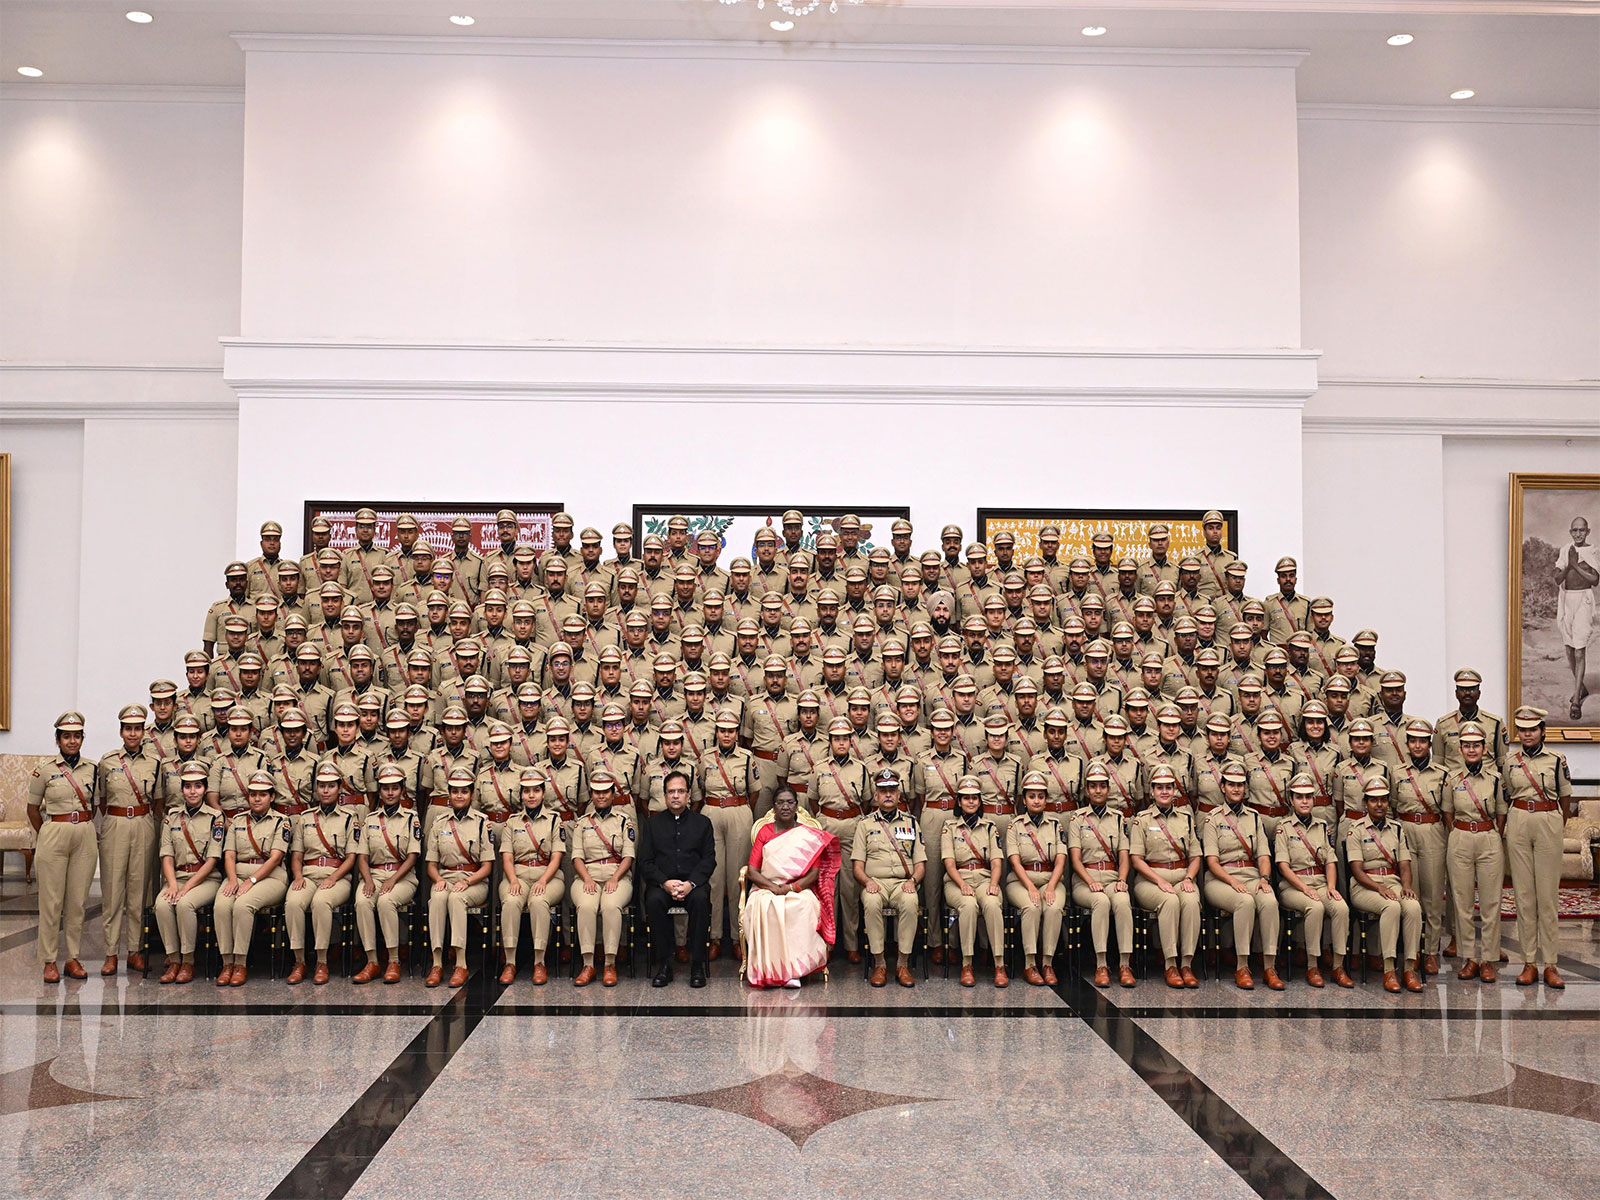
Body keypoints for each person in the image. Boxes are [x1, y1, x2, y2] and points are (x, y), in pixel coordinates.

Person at [743, 789, 842, 988]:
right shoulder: (765, 832)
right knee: (762, 906)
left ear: (797, 805)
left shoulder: (808, 835)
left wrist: (790, 888)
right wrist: (773, 888)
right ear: (773, 807)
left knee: (804, 905)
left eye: (790, 802)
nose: (785, 807)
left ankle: (794, 971)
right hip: (766, 887)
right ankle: (770, 969)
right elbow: (752, 871)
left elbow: (813, 874)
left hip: (798, 888)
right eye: (780, 803)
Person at [1504, 706, 1572, 988]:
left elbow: (1565, 798)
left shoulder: (1556, 760)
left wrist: (1555, 823)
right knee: (1524, 896)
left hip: (1547, 821)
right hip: (1519, 820)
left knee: (1547, 898)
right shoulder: (1510, 762)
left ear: (1543, 730)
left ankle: (1551, 964)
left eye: (1532, 729)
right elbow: (1507, 793)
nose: (1527, 734)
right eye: (1523, 729)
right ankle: (1529, 963)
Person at [29, 712, 99, 983]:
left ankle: (72, 957)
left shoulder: (93, 768)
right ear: (57, 739)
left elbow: (97, 804)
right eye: (67, 736)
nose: (72, 741)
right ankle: (49, 960)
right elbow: (32, 809)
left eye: (77, 736)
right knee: (51, 901)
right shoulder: (44, 770)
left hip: (84, 833)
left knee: (77, 901)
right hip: (54, 833)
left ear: (83, 738)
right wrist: (48, 833)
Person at [97, 703, 164, 976]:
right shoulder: (107, 761)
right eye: (128, 729)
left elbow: (158, 801)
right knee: (112, 891)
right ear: (121, 731)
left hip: (144, 823)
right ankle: (110, 953)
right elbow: (101, 800)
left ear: (143, 731)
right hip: (115, 823)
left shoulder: (154, 763)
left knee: (140, 890)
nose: (133, 734)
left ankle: (134, 950)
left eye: (137, 728)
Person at [1202, 761, 1282, 990]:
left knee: (1269, 901)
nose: (1236, 789)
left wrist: (1264, 879)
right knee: (1244, 901)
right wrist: (1232, 881)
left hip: (1251, 875)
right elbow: (1212, 862)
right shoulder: (1213, 819)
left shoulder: (1255, 817)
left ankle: (1269, 966)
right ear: (1223, 787)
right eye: (1231, 784)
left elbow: (1264, 856)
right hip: (1221, 879)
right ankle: (1242, 965)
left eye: (1240, 785)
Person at [283, 762, 360, 984]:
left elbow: (351, 857)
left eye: (331, 786)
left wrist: (333, 877)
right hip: (307, 874)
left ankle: (322, 961)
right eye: (322, 786)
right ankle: (299, 961)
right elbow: (296, 855)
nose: (326, 791)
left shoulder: (348, 818)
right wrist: (298, 876)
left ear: (339, 789)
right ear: (316, 789)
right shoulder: (305, 818)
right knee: (293, 902)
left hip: (337, 876)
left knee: (321, 902)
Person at [1345, 778, 1424, 993]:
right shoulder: (1356, 830)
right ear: (1366, 803)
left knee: (1413, 906)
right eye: (1373, 800)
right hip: (1365, 886)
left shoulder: (1397, 829)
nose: (1379, 805)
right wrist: (1378, 888)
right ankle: (1389, 969)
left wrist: (1406, 885)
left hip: (1393, 882)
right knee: (1392, 906)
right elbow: (1357, 870)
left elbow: (1405, 864)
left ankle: (1409, 968)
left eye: (1383, 800)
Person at [213, 771, 291, 986]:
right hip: (237, 875)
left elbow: (275, 859)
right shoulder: (238, 821)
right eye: (253, 794)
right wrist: (232, 880)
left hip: (270, 877)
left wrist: (252, 881)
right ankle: (226, 962)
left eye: (263, 794)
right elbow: (229, 854)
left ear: (272, 797)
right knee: (221, 905)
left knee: (243, 905)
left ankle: (240, 963)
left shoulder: (281, 822)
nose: (257, 799)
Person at [1274, 774, 1353, 988]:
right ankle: (1312, 966)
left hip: (1320, 883)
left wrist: (1331, 887)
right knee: (1315, 907)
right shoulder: (1284, 827)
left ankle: (1338, 965)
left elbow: (1330, 861)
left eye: (1308, 796)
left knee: (1341, 908)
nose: (1305, 801)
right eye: (1299, 797)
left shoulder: (1322, 826)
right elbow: (1283, 866)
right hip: (1293, 886)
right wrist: (1304, 888)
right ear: (1291, 799)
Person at [640, 769, 717, 988]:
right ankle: (664, 965)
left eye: (680, 791)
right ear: (664, 796)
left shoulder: (703, 823)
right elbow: (646, 862)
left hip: (693, 884)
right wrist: (664, 882)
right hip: (662, 884)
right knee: (653, 902)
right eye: (671, 791)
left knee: (701, 901)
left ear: (688, 795)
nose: (675, 796)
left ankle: (697, 965)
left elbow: (709, 860)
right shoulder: (653, 824)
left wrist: (690, 884)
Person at [1129, 763, 1201, 988]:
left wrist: (1189, 878)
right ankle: (1170, 964)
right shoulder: (1142, 820)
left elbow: (1196, 856)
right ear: (1151, 791)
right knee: (1169, 901)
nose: (1164, 792)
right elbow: (1136, 860)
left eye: (1168, 787)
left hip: (1181, 877)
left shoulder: (1186, 818)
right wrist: (1159, 880)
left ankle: (1186, 963)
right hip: (1150, 879)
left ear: (1174, 790)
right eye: (1159, 787)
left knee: (1190, 901)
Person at [1442, 723, 1505, 982]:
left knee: (1491, 903)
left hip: (1489, 839)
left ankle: (1488, 959)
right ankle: (1469, 958)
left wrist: (1492, 834)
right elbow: (1447, 812)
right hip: (1461, 839)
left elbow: (1502, 812)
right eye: (1466, 745)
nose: (1471, 749)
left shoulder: (1495, 779)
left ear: (1484, 748)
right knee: (1462, 902)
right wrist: (1461, 831)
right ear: (1460, 749)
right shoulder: (1452, 778)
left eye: (1475, 745)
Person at [853, 770, 925, 988]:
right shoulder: (865, 825)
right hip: (876, 882)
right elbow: (857, 866)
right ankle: (880, 963)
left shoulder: (911, 823)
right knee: (872, 902)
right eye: (883, 791)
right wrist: (867, 882)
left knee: (911, 902)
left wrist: (912, 880)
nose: (887, 795)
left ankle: (903, 964)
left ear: (898, 794)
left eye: (892, 791)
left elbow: (921, 864)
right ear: (875, 796)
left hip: (903, 883)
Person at [153, 761, 223, 984]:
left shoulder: (215, 817)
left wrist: (186, 888)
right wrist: (172, 885)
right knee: (162, 904)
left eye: (198, 786)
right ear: (181, 789)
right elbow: (166, 855)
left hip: (206, 880)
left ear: (205, 788)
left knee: (185, 904)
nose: (193, 791)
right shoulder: (171, 817)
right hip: (177, 877)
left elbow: (212, 860)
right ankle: (173, 960)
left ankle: (188, 961)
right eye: (188, 786)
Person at [425, 767, 494, 988]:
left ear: (472, 794)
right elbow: (431, 864)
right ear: (449, 794)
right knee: (437, 898)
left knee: (456, 898)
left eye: (464, 791)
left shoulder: (482, 822)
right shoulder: (439, 822)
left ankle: (461, 963)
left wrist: (467, 881)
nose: (459, 796)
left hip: (474, 881)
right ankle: (437, 962)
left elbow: (487, 867)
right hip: (446, 878)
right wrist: (438, 880)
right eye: (455, 791)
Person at [1068, 762, 1135, 988]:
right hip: (1085, 881)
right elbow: (1076, 860)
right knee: (1100, 901)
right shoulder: (1077, 819)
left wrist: (1122, 880)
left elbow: (1123, 856)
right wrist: (1090, 882)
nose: (1098, 791)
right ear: (1086, 790)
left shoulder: (1118, 818)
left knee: (1123, 901)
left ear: (1108, 789)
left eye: (1102, 786)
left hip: (1111, 877)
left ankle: (1125, 964)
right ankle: (1101, 964)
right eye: (1093, 786)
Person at [352, 772, 423, 984]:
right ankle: (372, 961)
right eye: (385, 788)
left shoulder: (411, 818)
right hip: (373, 874)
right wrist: (369, 880)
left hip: (403, 877)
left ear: (402, 790)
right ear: (380, 791)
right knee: (363, 901)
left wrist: (393, 880)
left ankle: (393, 960)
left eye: (394, 788)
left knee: (386, 901)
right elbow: (362, 857)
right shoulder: (370, 820)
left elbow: (412, 857)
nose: (390, 793)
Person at [498, 768, 567, 985]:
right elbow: (507, 858)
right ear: (520, 795)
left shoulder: (554, 820)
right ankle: (510, 962)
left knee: (538, 901)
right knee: (510, 901)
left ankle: (539, 961)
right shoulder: (512, 822)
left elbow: (556, 857)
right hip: (516, 874)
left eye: (536, 790)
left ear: (543, 793)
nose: (531, 795)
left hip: (548, 876)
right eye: (526, 791)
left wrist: (543, 880)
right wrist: (513, 880)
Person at [940, 776, 1008, 988]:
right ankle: (967, 964)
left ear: (980, 802)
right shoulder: (949, 827)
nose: (970, 802)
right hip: (957, 880)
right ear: (958, 802)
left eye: (974, 798)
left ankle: (999, 964)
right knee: (968, 905)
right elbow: (949, 864)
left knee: (992, 903)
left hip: (985, 879)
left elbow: (996, 862)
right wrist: (962, 885)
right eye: (966, 798)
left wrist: (994, 884)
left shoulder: (990, 827)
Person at [569, 772, 635, 987]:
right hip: (587, 875)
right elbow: (577, 856)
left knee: (610, 905)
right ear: (591, 795)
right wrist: (586, 878)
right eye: (597, 792)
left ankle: (609, 963)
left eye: (605, 792)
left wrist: (616, 877)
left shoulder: (625, 821)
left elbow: (628, 856)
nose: (601, 796)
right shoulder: (581, 823)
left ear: (613, 794)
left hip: (617, 875)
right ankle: (588, 964)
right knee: (586, 906)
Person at [1005, 772, 1068, 985]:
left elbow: (1060, 859)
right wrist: (1030, 886)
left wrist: (1051, 886)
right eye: (1032, 796)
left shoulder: (1056, 825)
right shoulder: (1015, 825)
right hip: (1021, 881)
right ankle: (1030, 963)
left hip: (1051, 879)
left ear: (1046, 799)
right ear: (1024, 799)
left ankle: (1047, 962)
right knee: (1031, 907)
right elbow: (1014, 861)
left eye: (1040, 796)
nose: (1036, 800)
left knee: (1052, 906)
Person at [1555, 516, 1598, 720]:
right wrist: (1568, 565)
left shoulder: (1592, 550)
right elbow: (1557, 578)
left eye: (1582, 530)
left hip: (1583, 602)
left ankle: (1576, 700)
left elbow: (1595, 579)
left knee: (1580, 650)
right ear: (1570, 532)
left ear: (1587, 531)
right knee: (1569, 648)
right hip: (1566, 601)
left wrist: (1575, 565)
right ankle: (1581, 687)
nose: (1578, 534)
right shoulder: (1565, 549)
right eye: (1575, 530)